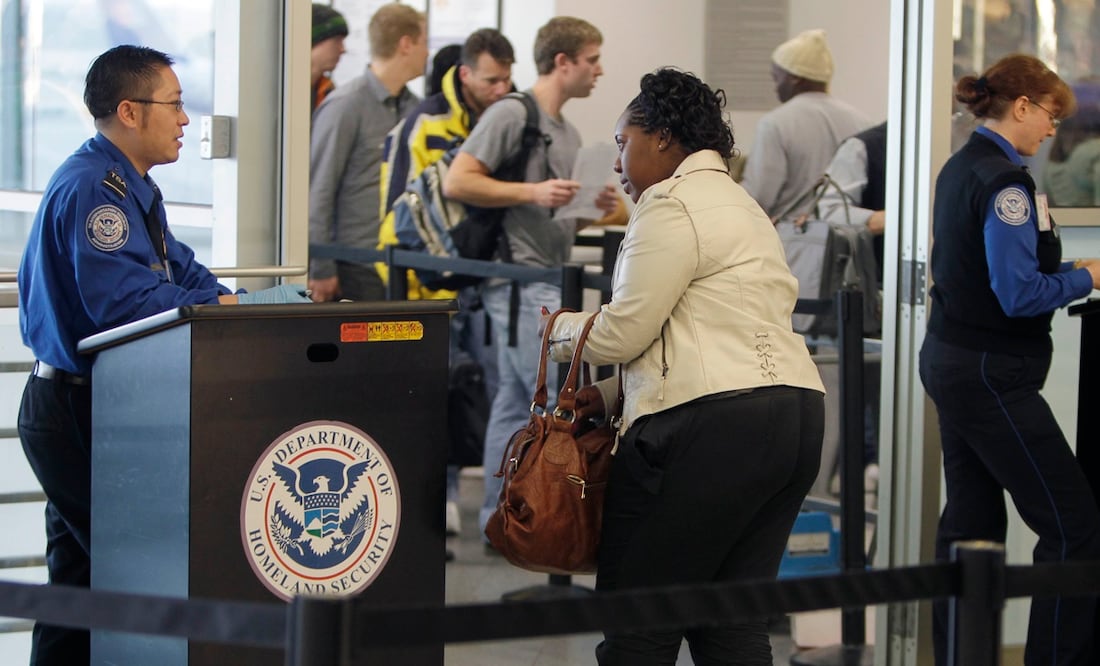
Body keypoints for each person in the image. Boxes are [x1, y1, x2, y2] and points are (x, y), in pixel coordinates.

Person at [16, 44, 310, 665]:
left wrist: (247, 305)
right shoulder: (96, 188)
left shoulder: (129, 186)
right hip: (77, 407)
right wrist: (235, 312)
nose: (184, 120)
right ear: (129, 110)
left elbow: (184, 273)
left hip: (97, 404)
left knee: (80, 581)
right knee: (127, 574)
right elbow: (125, 304)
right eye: (174, 105)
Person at [542, 68, 825, 665]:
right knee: (731, 626)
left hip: (707, 433)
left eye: (624, 142)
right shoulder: (745, 205)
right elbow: (713, 325)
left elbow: (624, 330)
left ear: (663, 137)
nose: (618, 162)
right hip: (794, 418)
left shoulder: (669, 203)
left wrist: (557, 329)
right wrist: (618, 395)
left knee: (638, 627)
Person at [919, 53, 1100, 666]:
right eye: (1050, 115)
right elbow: (1019, 293)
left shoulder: (963, 166)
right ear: (1021, 106)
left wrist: (1071, 271)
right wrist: (1091, 276)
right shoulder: (1006, 183)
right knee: (1072, 525)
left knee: (970, 527)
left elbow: (994, 270)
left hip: (954, 359)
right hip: (991, 374)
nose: (1053, 130)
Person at [441, 16, 619, 538]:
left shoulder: (567, 130)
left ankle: (501, 517)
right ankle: (524, 518)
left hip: (542, 274)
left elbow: (555, 217)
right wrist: (534, 193)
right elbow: (459, 179)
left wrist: (593, 208)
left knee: (515, 397)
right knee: (535, 398)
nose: (599, 71)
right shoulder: (511, 113)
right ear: (562, 62)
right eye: (591, 60)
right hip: (517, 280)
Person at [376, 27, 516, 543]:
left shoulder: (498, 119)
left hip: (476, 281)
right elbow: (399, 210)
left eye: (506, 79)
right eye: (491, 79)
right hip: (426, 284)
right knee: (434, 398)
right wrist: (407, 280)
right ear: (466, 74)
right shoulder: (425, 122)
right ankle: (437, 505)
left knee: (475, 396)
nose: (501, 88)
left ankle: (464, 503)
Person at [308, 3, 428, 302]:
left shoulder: (416, 111)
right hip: (356, 269)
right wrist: (321, 268)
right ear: (405, 44)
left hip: (403, 268)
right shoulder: (345, 106)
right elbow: (319, 190)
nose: (428, 53)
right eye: (424, 43)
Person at [740, 28, 869, 222]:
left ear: (795, 77)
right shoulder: (861, 121)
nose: (775, 87)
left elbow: (757, 198)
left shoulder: (775, 123)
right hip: (848, 244)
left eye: (776, 77)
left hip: (794, 243)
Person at [310, 3, 348, 113]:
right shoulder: (281, 92)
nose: (343, 49)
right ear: (314, 41)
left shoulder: (328, 91)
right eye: (337, 40)